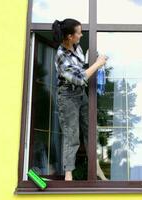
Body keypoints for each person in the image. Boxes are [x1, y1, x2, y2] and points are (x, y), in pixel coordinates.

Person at [52, 18, 108, 181]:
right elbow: (80, 78)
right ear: (70, 36)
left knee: (90, 130)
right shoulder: (61, 55)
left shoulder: (77, 47)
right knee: (72, 135)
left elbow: (82, 66)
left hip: (80, 94)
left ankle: (96, 169)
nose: (81, 35)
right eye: (79, 32)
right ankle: (68, 176)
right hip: (67, 96)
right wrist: (97, 64)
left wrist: (92, 57)